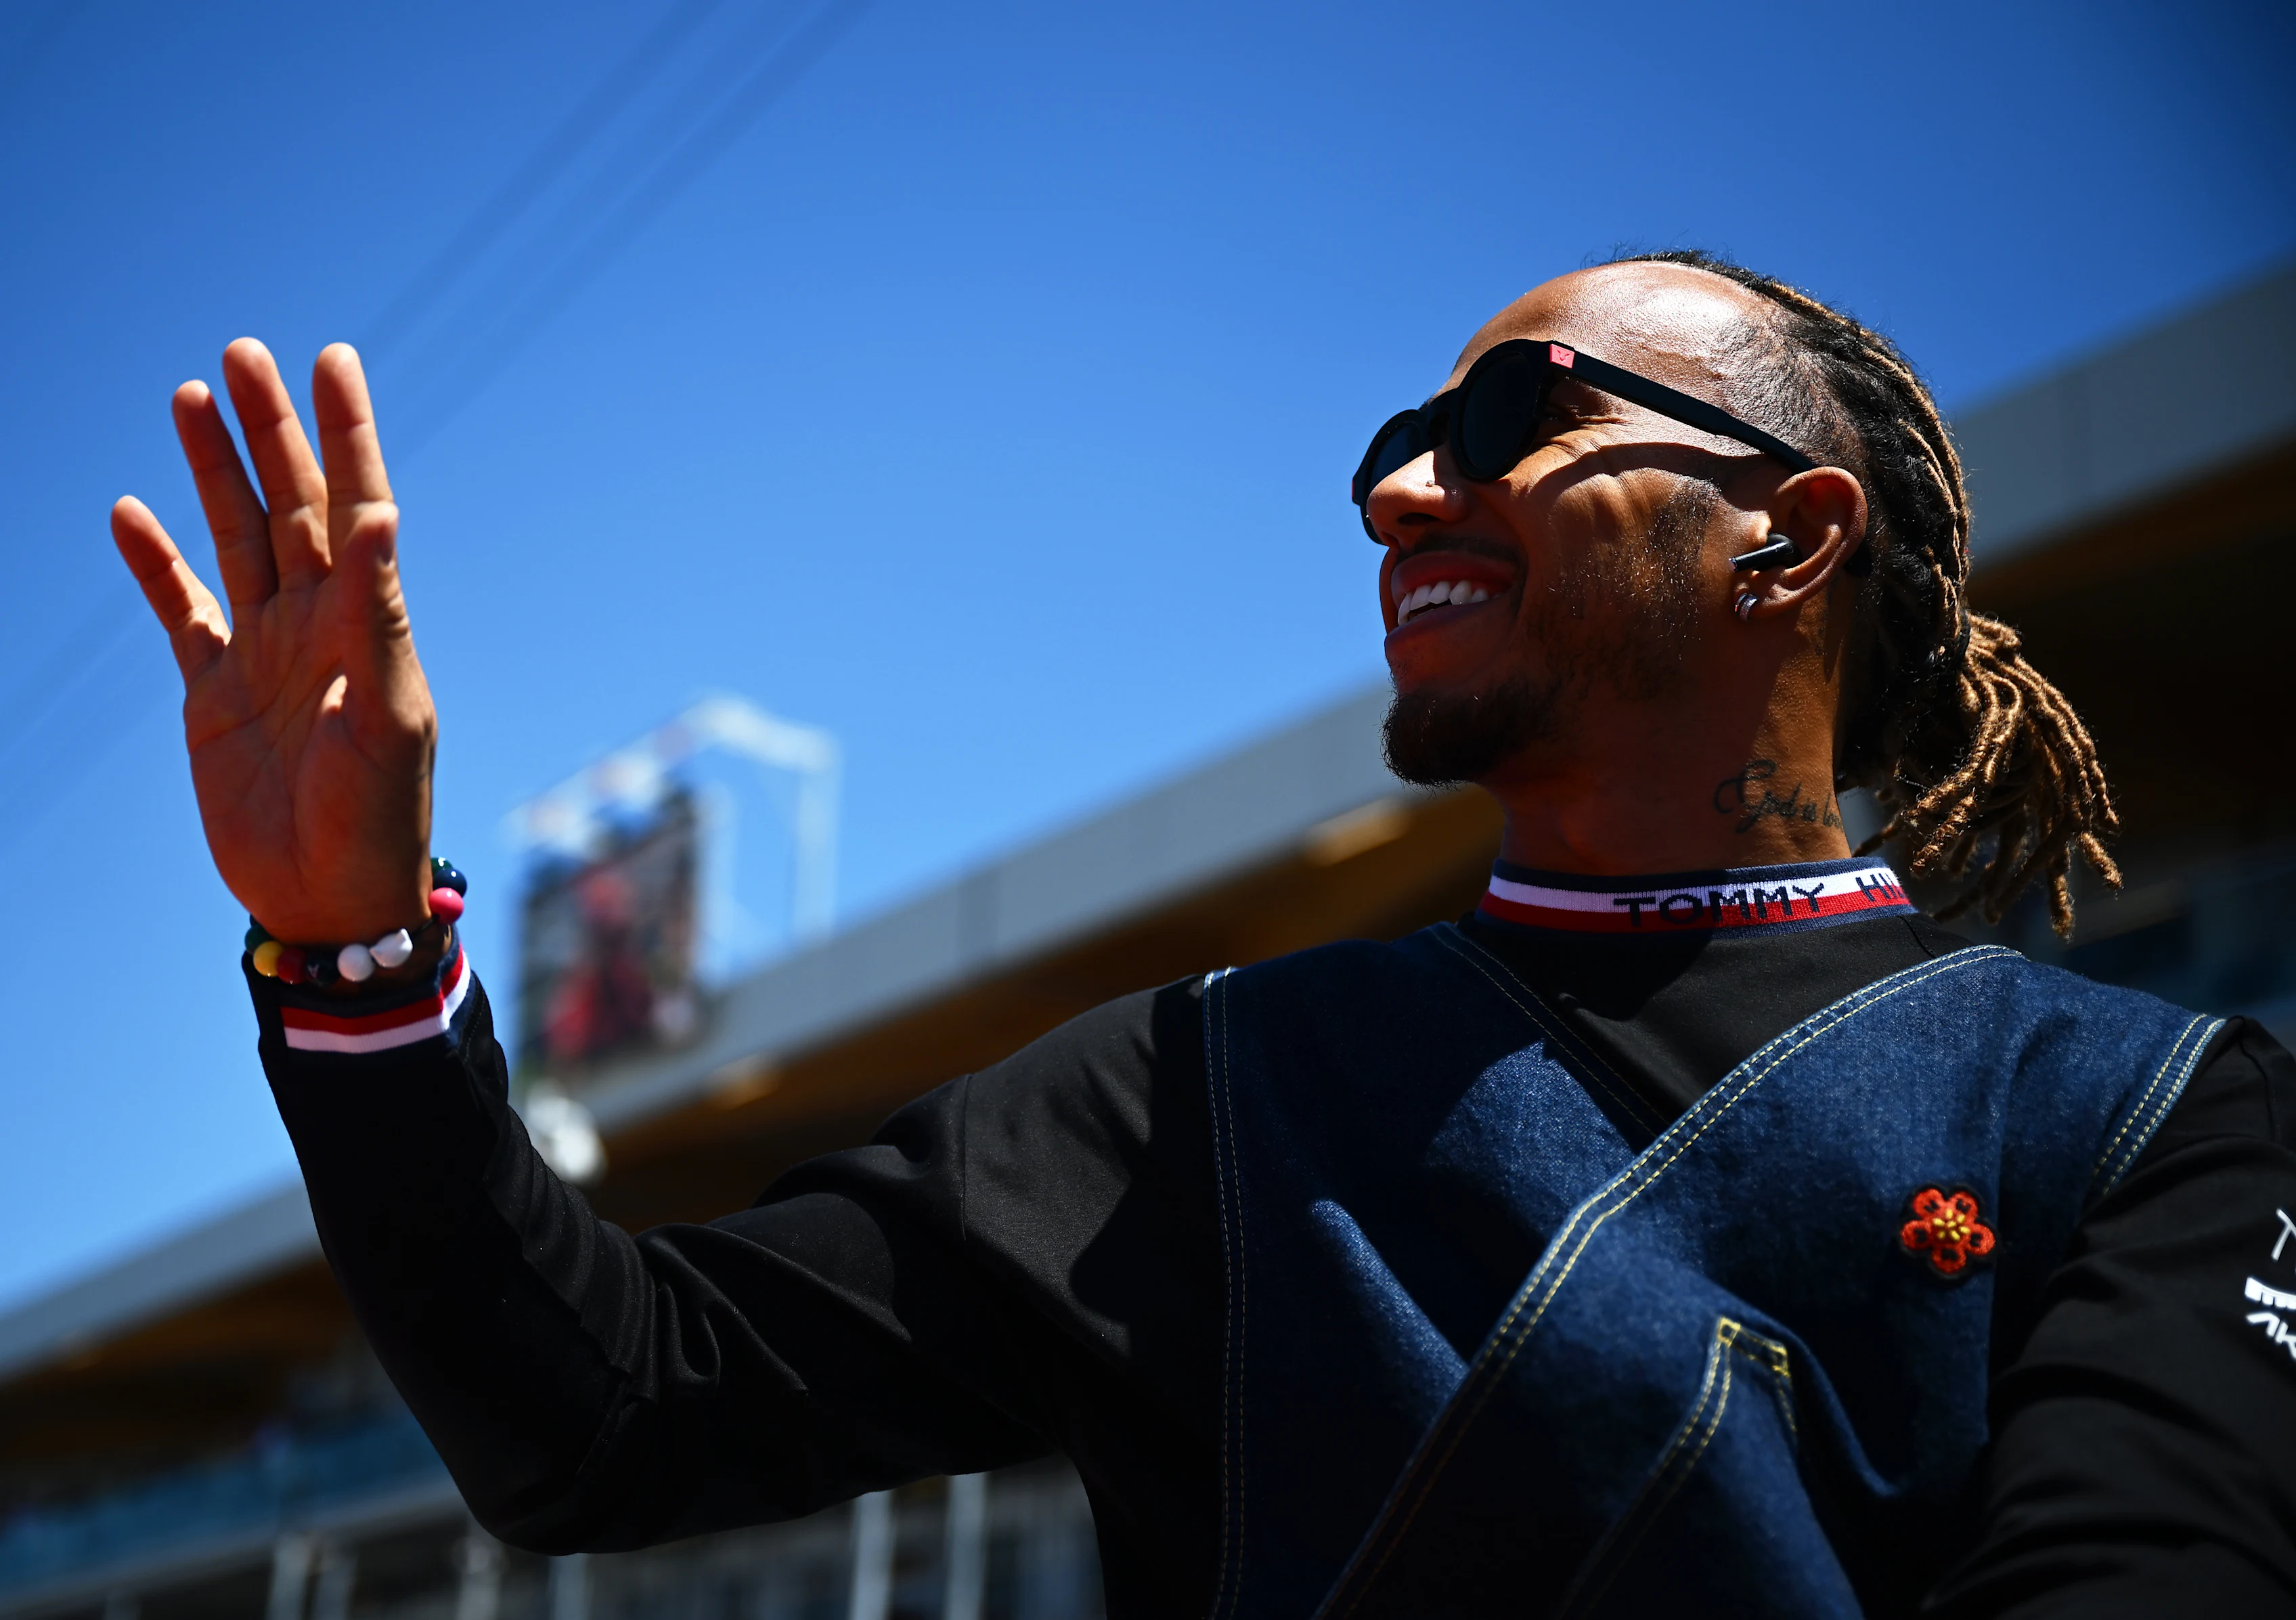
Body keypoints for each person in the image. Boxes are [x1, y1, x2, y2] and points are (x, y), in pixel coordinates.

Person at [110, 253, 2296, 1618]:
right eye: (1396, 442)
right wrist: (360, 956)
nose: (1399, 489)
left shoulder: (2168, 1121)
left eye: (1512, 418)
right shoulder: (1202, 1086)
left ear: (1788, 539)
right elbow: (606, 1412)